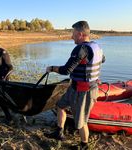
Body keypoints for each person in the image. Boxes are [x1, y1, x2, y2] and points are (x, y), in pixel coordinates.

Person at [45, 21, 105, 150]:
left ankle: (84, 145)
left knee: (81, 122)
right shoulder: (96, 46)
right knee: (60, 106)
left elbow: (66, 70)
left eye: (73, 34)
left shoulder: (81, 49)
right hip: (75, 87)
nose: (72, 37)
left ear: (80, 34)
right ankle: (59, 132)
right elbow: (102, 59)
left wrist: (52, 68)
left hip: (84, 91)